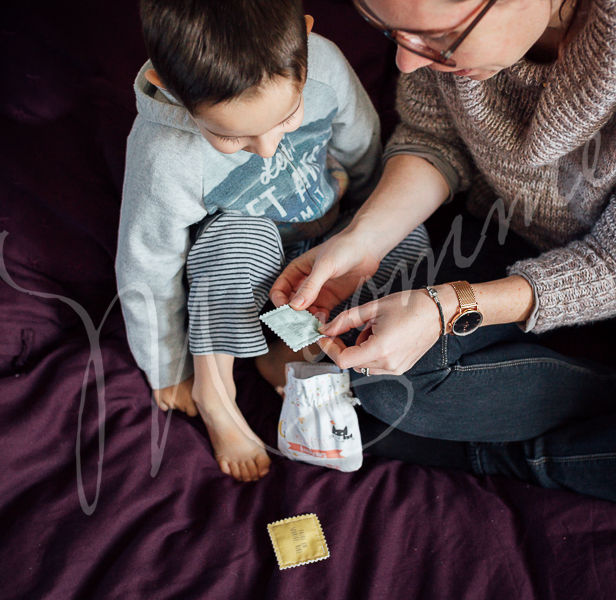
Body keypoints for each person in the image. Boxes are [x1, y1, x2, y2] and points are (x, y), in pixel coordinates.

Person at [269, 0, 616, 533]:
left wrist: (452, 305)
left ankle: (507, 453)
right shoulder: (431, 46)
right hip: (507, 229)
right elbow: (435, 137)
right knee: (372, 369)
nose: (408, 64)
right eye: (392, 34)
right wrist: (368, 238)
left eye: (438, 39)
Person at [116, 0, 428, 482]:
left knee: (410, 238)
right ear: (169, 89)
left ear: (303, 47)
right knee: (242, 233)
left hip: (330, 238)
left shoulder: (323, 64)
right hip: (245, 274)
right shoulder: (166, 156)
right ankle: (216, 391)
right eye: (233, 138)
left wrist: (371, 222)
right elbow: (146, 265)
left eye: (287, 118)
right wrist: (166, 365)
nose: (267, 148)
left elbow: (363, 143)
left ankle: (289, 354)